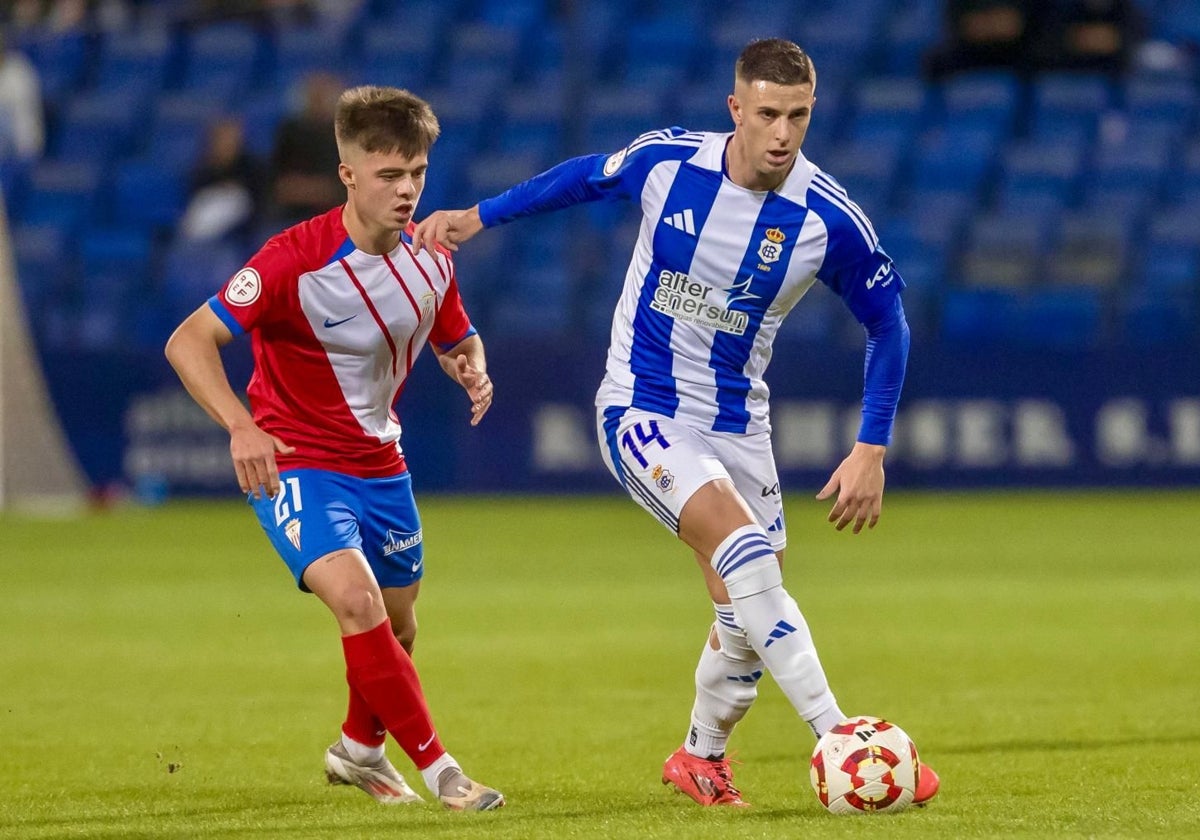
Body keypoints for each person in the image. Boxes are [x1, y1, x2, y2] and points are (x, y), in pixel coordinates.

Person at [414, 38, 940, 808]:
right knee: (748, 561)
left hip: (740, 423)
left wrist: (871, 448)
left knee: (745, 616)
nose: (783, 133)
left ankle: (701, 757)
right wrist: (478, 217)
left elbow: (888, 323)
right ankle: (843, 737)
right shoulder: (670, 164)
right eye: (767, 114)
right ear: (736, 109)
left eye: (798, 116)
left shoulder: (827, 219)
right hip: (642, 406)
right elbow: (585, 177)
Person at [164, 85, 504, 812]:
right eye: (389, 176)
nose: (407, 190)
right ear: (348, 175)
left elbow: (453, 333)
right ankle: (443, 770)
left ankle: (358, 750)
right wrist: (240, 424)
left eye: (415, 172)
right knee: (356, 599)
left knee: (399, 625)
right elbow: (188, 340)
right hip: (294, 462)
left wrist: (469, 363)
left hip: (382, 465)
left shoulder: (432, 258)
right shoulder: (292, 260)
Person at [266, 71, 345, 230]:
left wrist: (315, 190)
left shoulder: (344, 134)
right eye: (314, 96)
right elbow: (277, 180)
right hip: (290, 211)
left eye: (323, 96)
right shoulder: (289, 131)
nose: (318, 101)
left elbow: (345, 185)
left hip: (334, 211)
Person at [179, 116, 266, 245]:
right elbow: (196, 198)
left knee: (236, 197)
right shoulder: (203, 169)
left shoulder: (252, 167)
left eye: (231, 139)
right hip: (206, 226)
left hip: (243, 227)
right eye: (222, 139)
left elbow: (258, 203)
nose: (227, 143)